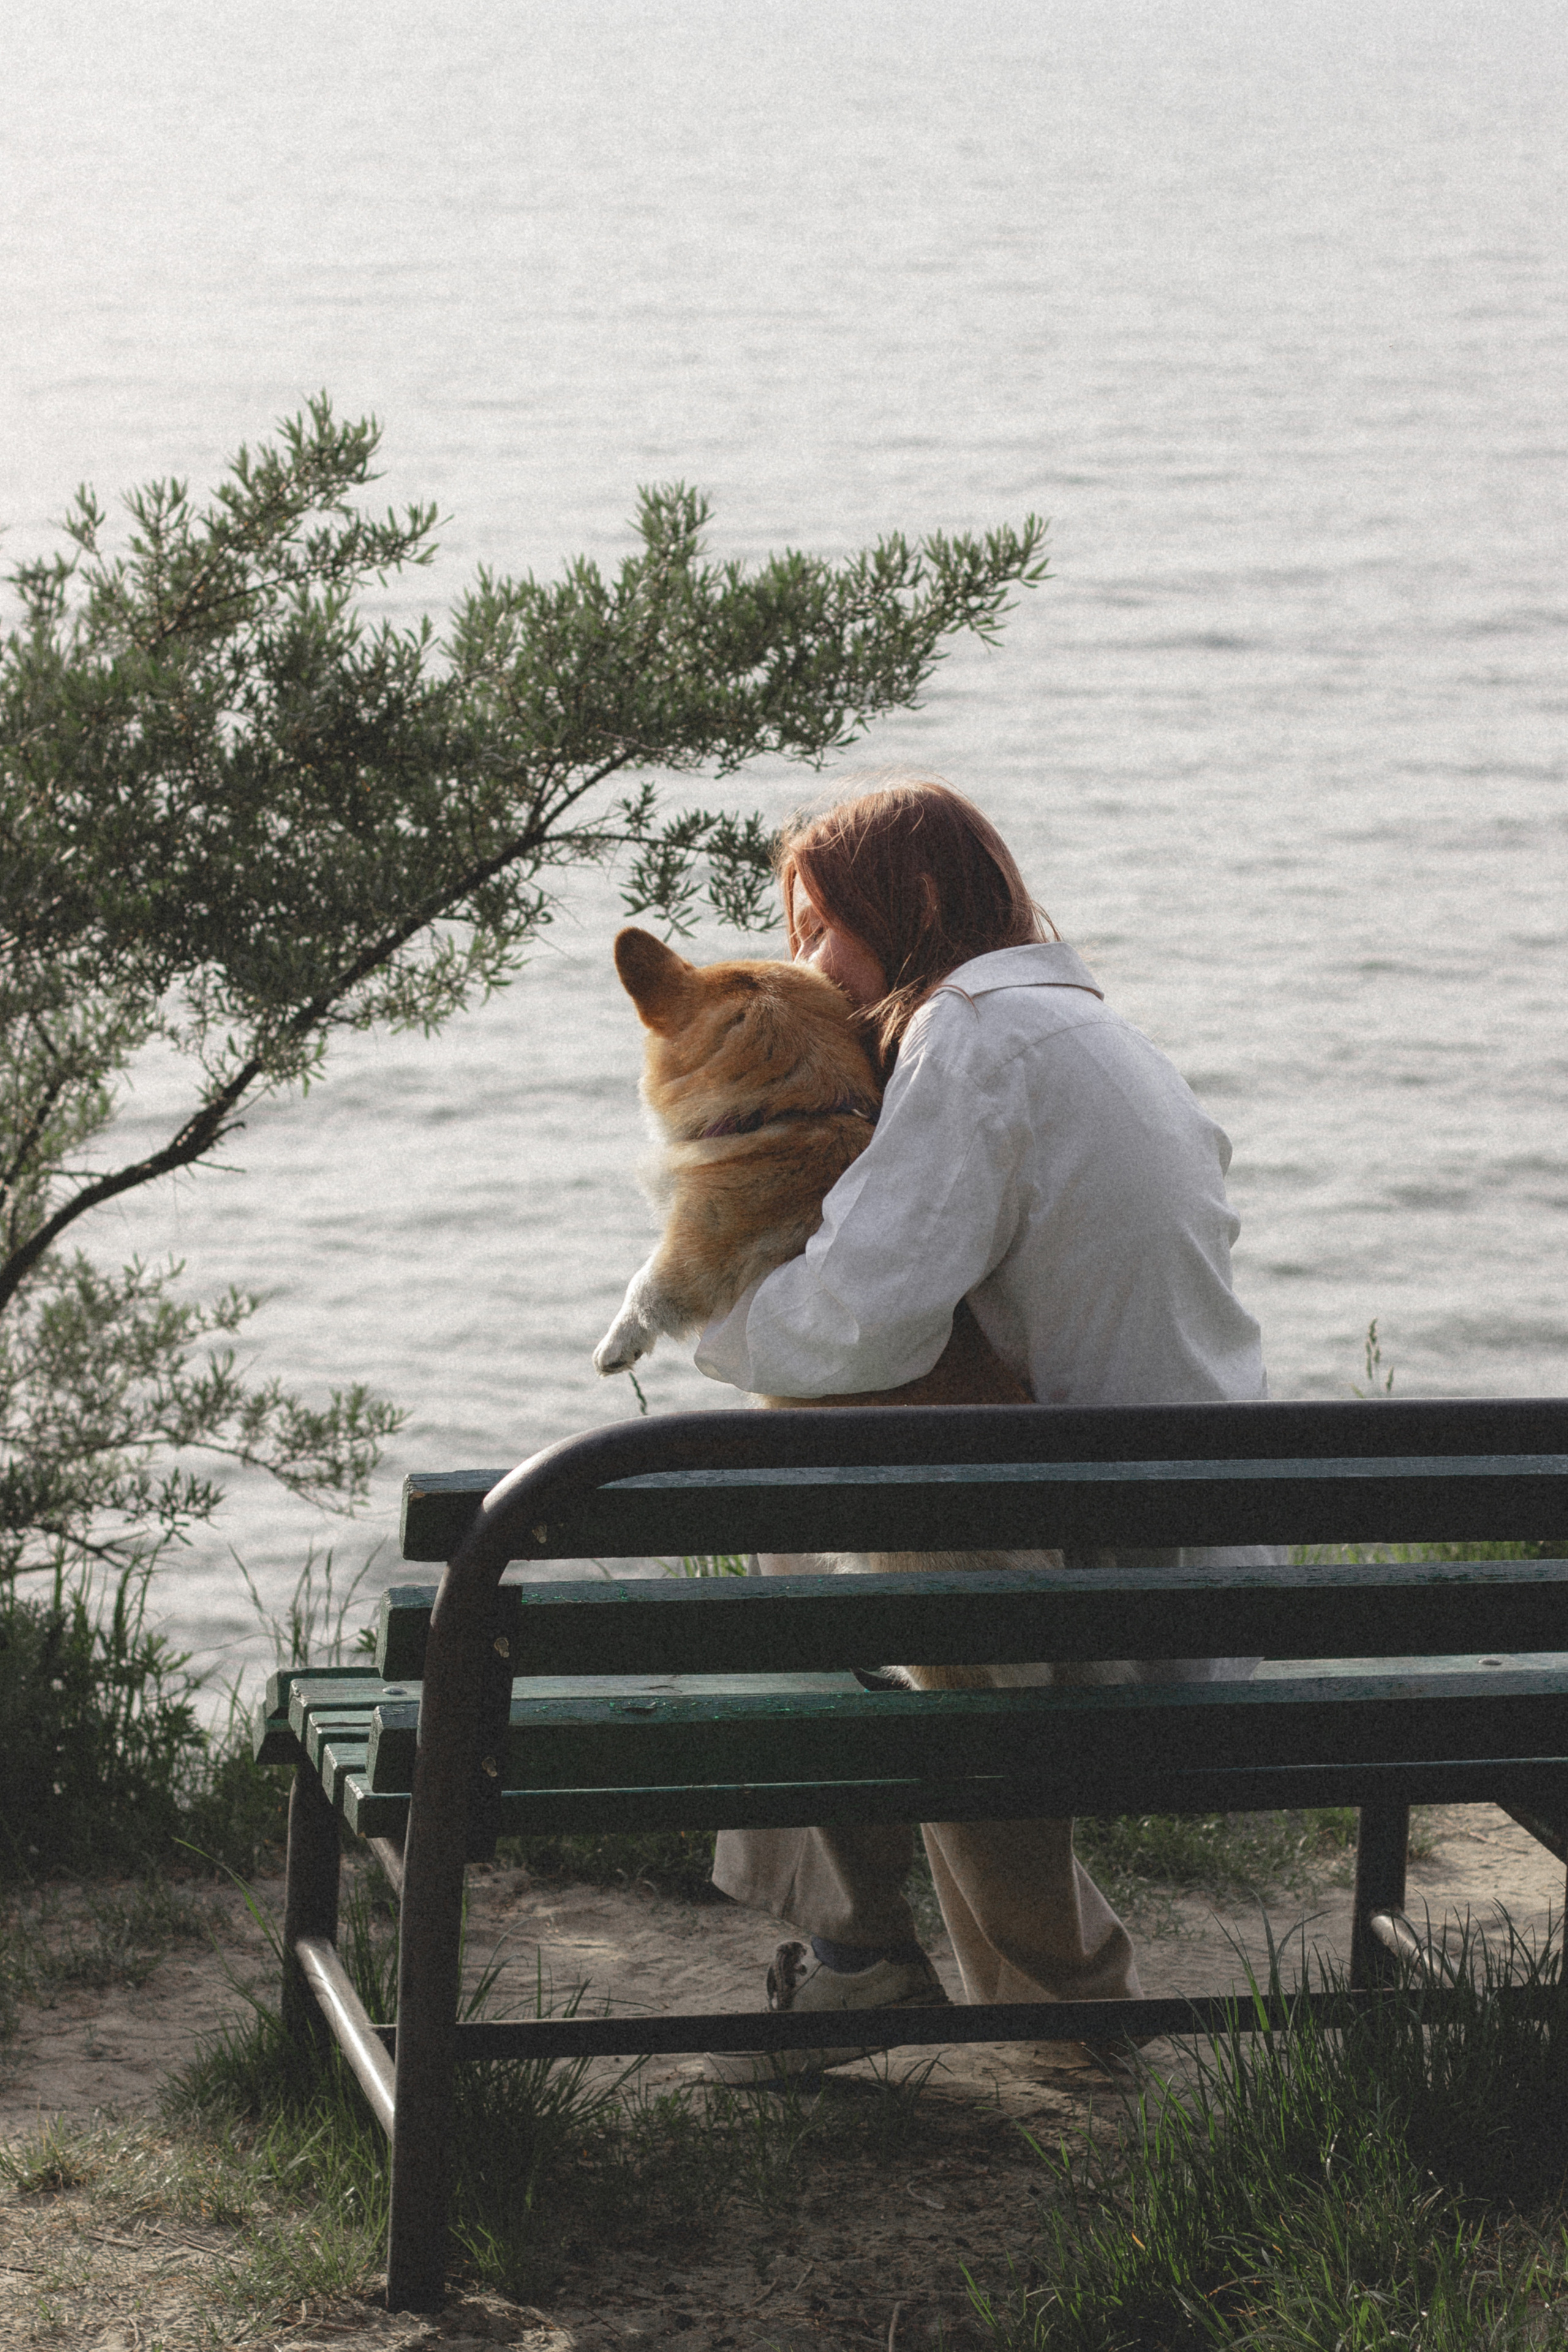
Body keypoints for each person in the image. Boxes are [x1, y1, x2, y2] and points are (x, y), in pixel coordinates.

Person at [692, 771, 1273, 2078]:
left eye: (816, 930)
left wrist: (709, 1310)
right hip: (1209, 1546)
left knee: (906, 1567)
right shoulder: (1098, 1036)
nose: (806, 969)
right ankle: (866, 1960)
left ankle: (1058, 2006)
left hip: (1111, 1585)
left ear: (926, 901)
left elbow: (866, 1317)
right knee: (831, 1533)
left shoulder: (967, 1039)